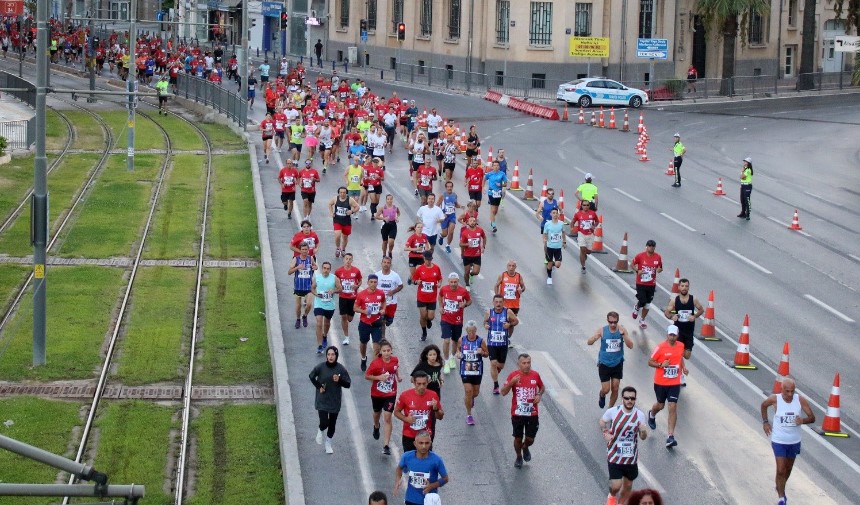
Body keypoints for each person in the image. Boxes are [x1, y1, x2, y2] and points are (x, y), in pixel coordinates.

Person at [761, 377, 815, 505]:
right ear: (782, 390)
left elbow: (812, 418)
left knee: (788, 469)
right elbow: (763, 406)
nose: (790, 394)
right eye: (787, 391)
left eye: (792, 391)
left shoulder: (800, 400)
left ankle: (780, 487)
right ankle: (781, 497)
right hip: (779, 440)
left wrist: (803, 421)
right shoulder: (775, 399)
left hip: (794, 441)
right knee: (780, 469)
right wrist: (765, 422)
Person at [600, 386, 648, 505]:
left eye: (632, 398)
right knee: (616, 485)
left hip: (630, 457)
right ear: (622, 398)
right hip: (614, 454)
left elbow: (643, 437)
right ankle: (611, 496)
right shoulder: (613, 411)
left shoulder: (640, 415)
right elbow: (602, 421)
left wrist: (643, 431)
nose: (629, 400)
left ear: (635, 399)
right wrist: (605, 432)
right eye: (627, 398)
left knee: (628, 486)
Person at [501, 353, 545, 468]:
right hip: (518, 412)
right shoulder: (513, 375)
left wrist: (539, 394)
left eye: (529, 363)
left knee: (530, 438)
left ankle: (525, 447)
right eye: (524, 363)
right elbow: (503, 392)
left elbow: (542, 387)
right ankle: (518, 456)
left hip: (532, 412)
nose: (527, 365)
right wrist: (511, 383)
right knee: (517, 437)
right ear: (518, 364)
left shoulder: (535, 375)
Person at [647, 325, 688, 449]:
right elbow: (650, 361)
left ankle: (670, 436)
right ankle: (652, 414)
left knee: (672, 406)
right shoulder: (660, 347)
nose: (672, 337)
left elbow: (679, 357)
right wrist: (660, 364)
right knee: (660, 405)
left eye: (674, 335)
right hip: (660, 382)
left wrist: (683, 367)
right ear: (667, 335)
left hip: (674, 382)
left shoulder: (681, 346)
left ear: (677, 335)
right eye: (670, 335)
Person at [309, 346, 351, 454]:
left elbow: (348, 384)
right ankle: (320, 429)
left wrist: (340, 380)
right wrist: (319, 387)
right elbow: (311, 376)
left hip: (334, 400)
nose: (330, 357)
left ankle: (328, 443)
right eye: (328, 354)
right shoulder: (321, 367)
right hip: (322, 399)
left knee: (332, 423)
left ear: (336, 356)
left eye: (333, 354)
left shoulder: (341, 369)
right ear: (326, 356)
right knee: (324, 422)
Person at [663, 278, 705, 386]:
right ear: (679, 287)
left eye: (686, 286)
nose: (684, 288)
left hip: (689, 331)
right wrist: (672, 316)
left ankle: (680, 368)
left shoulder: (693, 299)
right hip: (678, 331)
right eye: (682, 286)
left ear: (688, 287)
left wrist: (694, 316)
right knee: (678, 353)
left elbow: (701, 310)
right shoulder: (675, 300)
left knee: (686, 355)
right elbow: (667, 312)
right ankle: (680, 375)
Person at [588, 312, 634, 409]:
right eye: (611, 322)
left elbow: (630, 346)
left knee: (615, 387)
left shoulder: (622, 330)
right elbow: (589, 342)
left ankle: (610, 410)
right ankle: (602, 395)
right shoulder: (602, 330)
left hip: (617, 363)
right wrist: (594, 338)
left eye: (615, 322)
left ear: (617, 321)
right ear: (607, 321)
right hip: (604, 363)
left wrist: (624, 335)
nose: (613, 324)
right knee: (606, 389)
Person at [366, 339, 401, 455]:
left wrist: (398, 377)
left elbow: (395, 369)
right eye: (384, 351)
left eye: (388, 350)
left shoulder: (395, 360)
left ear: (391, 351)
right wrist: (378, 378)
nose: (386, 353)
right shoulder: (376, 363)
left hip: (391, 393)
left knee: (387, 417)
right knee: (377, 413)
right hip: (377, 393)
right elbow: (367, 375)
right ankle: (376, 426)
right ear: (380, 352)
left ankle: (386, 445)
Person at [394, 371, 445, 451]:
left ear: (427, 382)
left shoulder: (433, 395)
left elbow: (440, 416)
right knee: (410, 462)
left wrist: (436, 409)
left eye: (424, 383)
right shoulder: (405, 395)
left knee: (426, 462)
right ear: (414, 382)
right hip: (409, 435)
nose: (422, 386)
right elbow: (396, 412)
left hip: (425, 436)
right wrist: (406, 419)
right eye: (419, 384)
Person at [393, 431, 448, 505]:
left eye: (427, 443)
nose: (424, 446)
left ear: (430, 443)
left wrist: (431, 486)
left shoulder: (436, 460)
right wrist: (398, 480)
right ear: (415, 444)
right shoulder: (407, 457)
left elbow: (445, 478)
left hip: (429, 500)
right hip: (410, 499)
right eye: (421, 443)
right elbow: (399, 468)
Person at [438, 273, 472, 373]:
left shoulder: (463, 291)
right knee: (447, 340)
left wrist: (464, 304)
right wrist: (440, 307)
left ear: (458, 281)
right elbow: (440, 297)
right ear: (448, 282)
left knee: (455, 341)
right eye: (451, 282)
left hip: (457, 320)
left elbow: (469, 301)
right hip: (445, 319)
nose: (453, 284)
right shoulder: (444, 289)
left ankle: (452, 357)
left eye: (455, 282)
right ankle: (446, 361)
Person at [485, 294, 519, 394]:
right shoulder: (489, 312)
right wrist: (486, 325)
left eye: (500, 302)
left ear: (503, 303)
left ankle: (495, 372)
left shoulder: (507, 312)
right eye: (496, 302)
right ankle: (496, 385)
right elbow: (485, 322)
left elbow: (516, 321)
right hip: (492, 343)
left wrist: (510, 324)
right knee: (493, 363)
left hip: (503, 343)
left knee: (500, 365)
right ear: (493, 303)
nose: (498, 304)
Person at [456, 321, 488, 425]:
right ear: (466, 331)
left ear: (476, 331)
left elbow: (487, 354)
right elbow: (458, 350)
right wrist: (458, 354)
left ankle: (470, 399)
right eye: (469, 331)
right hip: (465, 370)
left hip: (476, 371)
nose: (471, 333)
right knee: (468, 391)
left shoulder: (481, 341)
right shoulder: (462, 340)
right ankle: (469, 415)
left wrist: (482, 352)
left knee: (475, 393)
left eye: (473, 331)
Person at [631, 240, 663, 330]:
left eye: (653, 246)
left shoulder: (657, 257)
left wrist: (659, 270)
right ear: (646, 246)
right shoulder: (640, 256)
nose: (651, 247)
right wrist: (638, 271)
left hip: (651, 283)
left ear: (654, 247)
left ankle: (642, 320)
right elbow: (632, 264)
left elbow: (660, 268)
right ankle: (637, 307)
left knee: (648, 304)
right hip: (641, 282)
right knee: (643, 300)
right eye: (649, 245)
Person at [311, 261, 341, 353]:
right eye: (324, 268)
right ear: (322, 268)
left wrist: (334, 291)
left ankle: (324, 335)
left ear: (330, 270)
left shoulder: (334, 278)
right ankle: (320, 345)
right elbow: (312, 288)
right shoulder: (318, 278)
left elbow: (340, 289)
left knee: (327, 322)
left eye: (328, 269)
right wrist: (316, 294)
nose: (326, 270)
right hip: (319, 304)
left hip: (329, 305)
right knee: (319, 323)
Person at [412, 250, 443, 341]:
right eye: (427, 259)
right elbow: (414, 279)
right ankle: (424, 332)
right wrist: (417, 282)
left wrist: (439, 284)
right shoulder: (420, 269)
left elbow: (440, 279)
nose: (428, 261)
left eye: (430, 260)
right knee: (423, 315)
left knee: (430, 316)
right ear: (424, 258)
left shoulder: (436, 268)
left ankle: (429, 321)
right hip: (421, 296)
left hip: (432, 297)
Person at [493, 260, 525, 341]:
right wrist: (497, 296)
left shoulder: (518, 276)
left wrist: (521, 289)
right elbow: (496, 285)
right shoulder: (503, 275)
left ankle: (507, 338)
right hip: (504, 304)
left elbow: (523, 286)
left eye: (513, 266)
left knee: (512, 323)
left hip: (514, 304)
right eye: (509, 266)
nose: (511, 268)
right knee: (502, 321)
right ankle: (500, 336)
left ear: (515, 267)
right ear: (507, 266)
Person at [335, 253, 362, 345]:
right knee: (343, 316)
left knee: (349, 318)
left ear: (352, 260)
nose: (348, 261)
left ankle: (350, 317)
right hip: (342, 297)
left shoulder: (356, 271)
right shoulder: (338, 271)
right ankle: (346, 337)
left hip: (353, 297)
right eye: (346, 259)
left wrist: (357, 286)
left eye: (350, 259)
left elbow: (360, 280)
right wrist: (337, 288)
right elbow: (335, 281)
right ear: (344, 260)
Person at [288, 243, 316, 330]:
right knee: (298, 306)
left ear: (308, 250)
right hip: (298, 286)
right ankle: (298, 319)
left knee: (309, 304)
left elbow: (315, 266)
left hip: (308, 287)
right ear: (300, 250)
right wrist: (297, 267)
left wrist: (314, 267)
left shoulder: (310, 258)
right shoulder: (296, 259)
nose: (304, 251)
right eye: (303, 249)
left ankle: (305, 316)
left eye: (306, 249)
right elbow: (289, 272)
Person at [375, 256, 404, 340]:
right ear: (381, 263)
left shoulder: (395, 275)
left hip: (392, 302)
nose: (386, 264)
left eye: (388, 263)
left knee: (389, 321)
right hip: (380, 303)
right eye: (384, 262)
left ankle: (389, 320)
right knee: (382, 321)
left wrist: (393, 291)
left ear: (390, 264)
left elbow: (401, 286)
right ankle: (383, 337)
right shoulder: (377, 275)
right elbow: (372, 286)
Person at [328, 187, 359, 258]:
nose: (342, 194)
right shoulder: (335, 198)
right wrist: (331, 212)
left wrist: (352, 211)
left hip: (346, 221)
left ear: (346, 193)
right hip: (337, 220)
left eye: (344, 192)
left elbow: (357, 207)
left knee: (345, 237)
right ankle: (338, 248)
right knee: (337, 235)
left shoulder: (350, 200)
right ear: (339, 193)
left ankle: (343, 249)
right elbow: (329, 204)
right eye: (341, 192)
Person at [459, 215, 486, 291]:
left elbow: (484, 237)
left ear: (476, 222)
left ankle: (472, 274)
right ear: (467, 222)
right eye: (471, 221)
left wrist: (483, 246)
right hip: (467, 255)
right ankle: (467, 284)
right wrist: (468, 244)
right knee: (466, 272)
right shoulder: (465, 232)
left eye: (474, 221)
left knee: (476, 272)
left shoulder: (480, 230)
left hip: (477, 255)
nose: (472, 222)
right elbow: (460, 244)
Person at [571, 200, 598, 274]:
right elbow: (573, 221)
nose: (585, 206)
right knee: (582, 248)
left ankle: (584, 254)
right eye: (584, 205)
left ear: (589, 206)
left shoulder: (593, 214)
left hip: (590, 234)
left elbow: (597, 221)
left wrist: (594, 226)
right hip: (581, 233)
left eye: (587, 205)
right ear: (581, 206)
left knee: (588, 252)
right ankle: (583, 267)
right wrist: (572, 228)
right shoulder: (578, 214)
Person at [543, 208, 566, 285]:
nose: (555, 214)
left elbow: (563, 232)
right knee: (549, 264)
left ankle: (552, 263)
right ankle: (549, 277)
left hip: (558, 247)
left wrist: (564, 241)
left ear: (558, 214)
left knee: (558, 265)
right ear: (551, 214)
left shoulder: (561, 224)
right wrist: (545, 242)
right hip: (550, 246)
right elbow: (545, 233)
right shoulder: (547, 224)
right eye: (553, 213)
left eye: (556, 213)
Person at [484, 160, 508, 233]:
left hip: (498, 193)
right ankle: (494, 225)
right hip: (491, 192)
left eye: (497, 165)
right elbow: (484, 179)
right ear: (492, 166)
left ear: (499, 166)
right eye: (494, 165)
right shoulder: (489, 174)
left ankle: (492, 219)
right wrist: (483, 187)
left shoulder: (502, 174)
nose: (496, 167)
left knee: (496, 210)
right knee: (493, 209)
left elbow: (505, 184)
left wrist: (501, 185)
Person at [438, 181, 462, 253]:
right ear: (445, 188)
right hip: (444, 217)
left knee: (451, 232)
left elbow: (456, 204)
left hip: (452, 216)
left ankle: (448, 245)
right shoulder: (442, 196)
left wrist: (460, 206)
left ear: (452, 187)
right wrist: (441, 214)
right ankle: (441, 236)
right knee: (445, 234)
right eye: (448, 187)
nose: (449, 188)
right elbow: (437, 206)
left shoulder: (454, 195)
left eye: (450, 187)